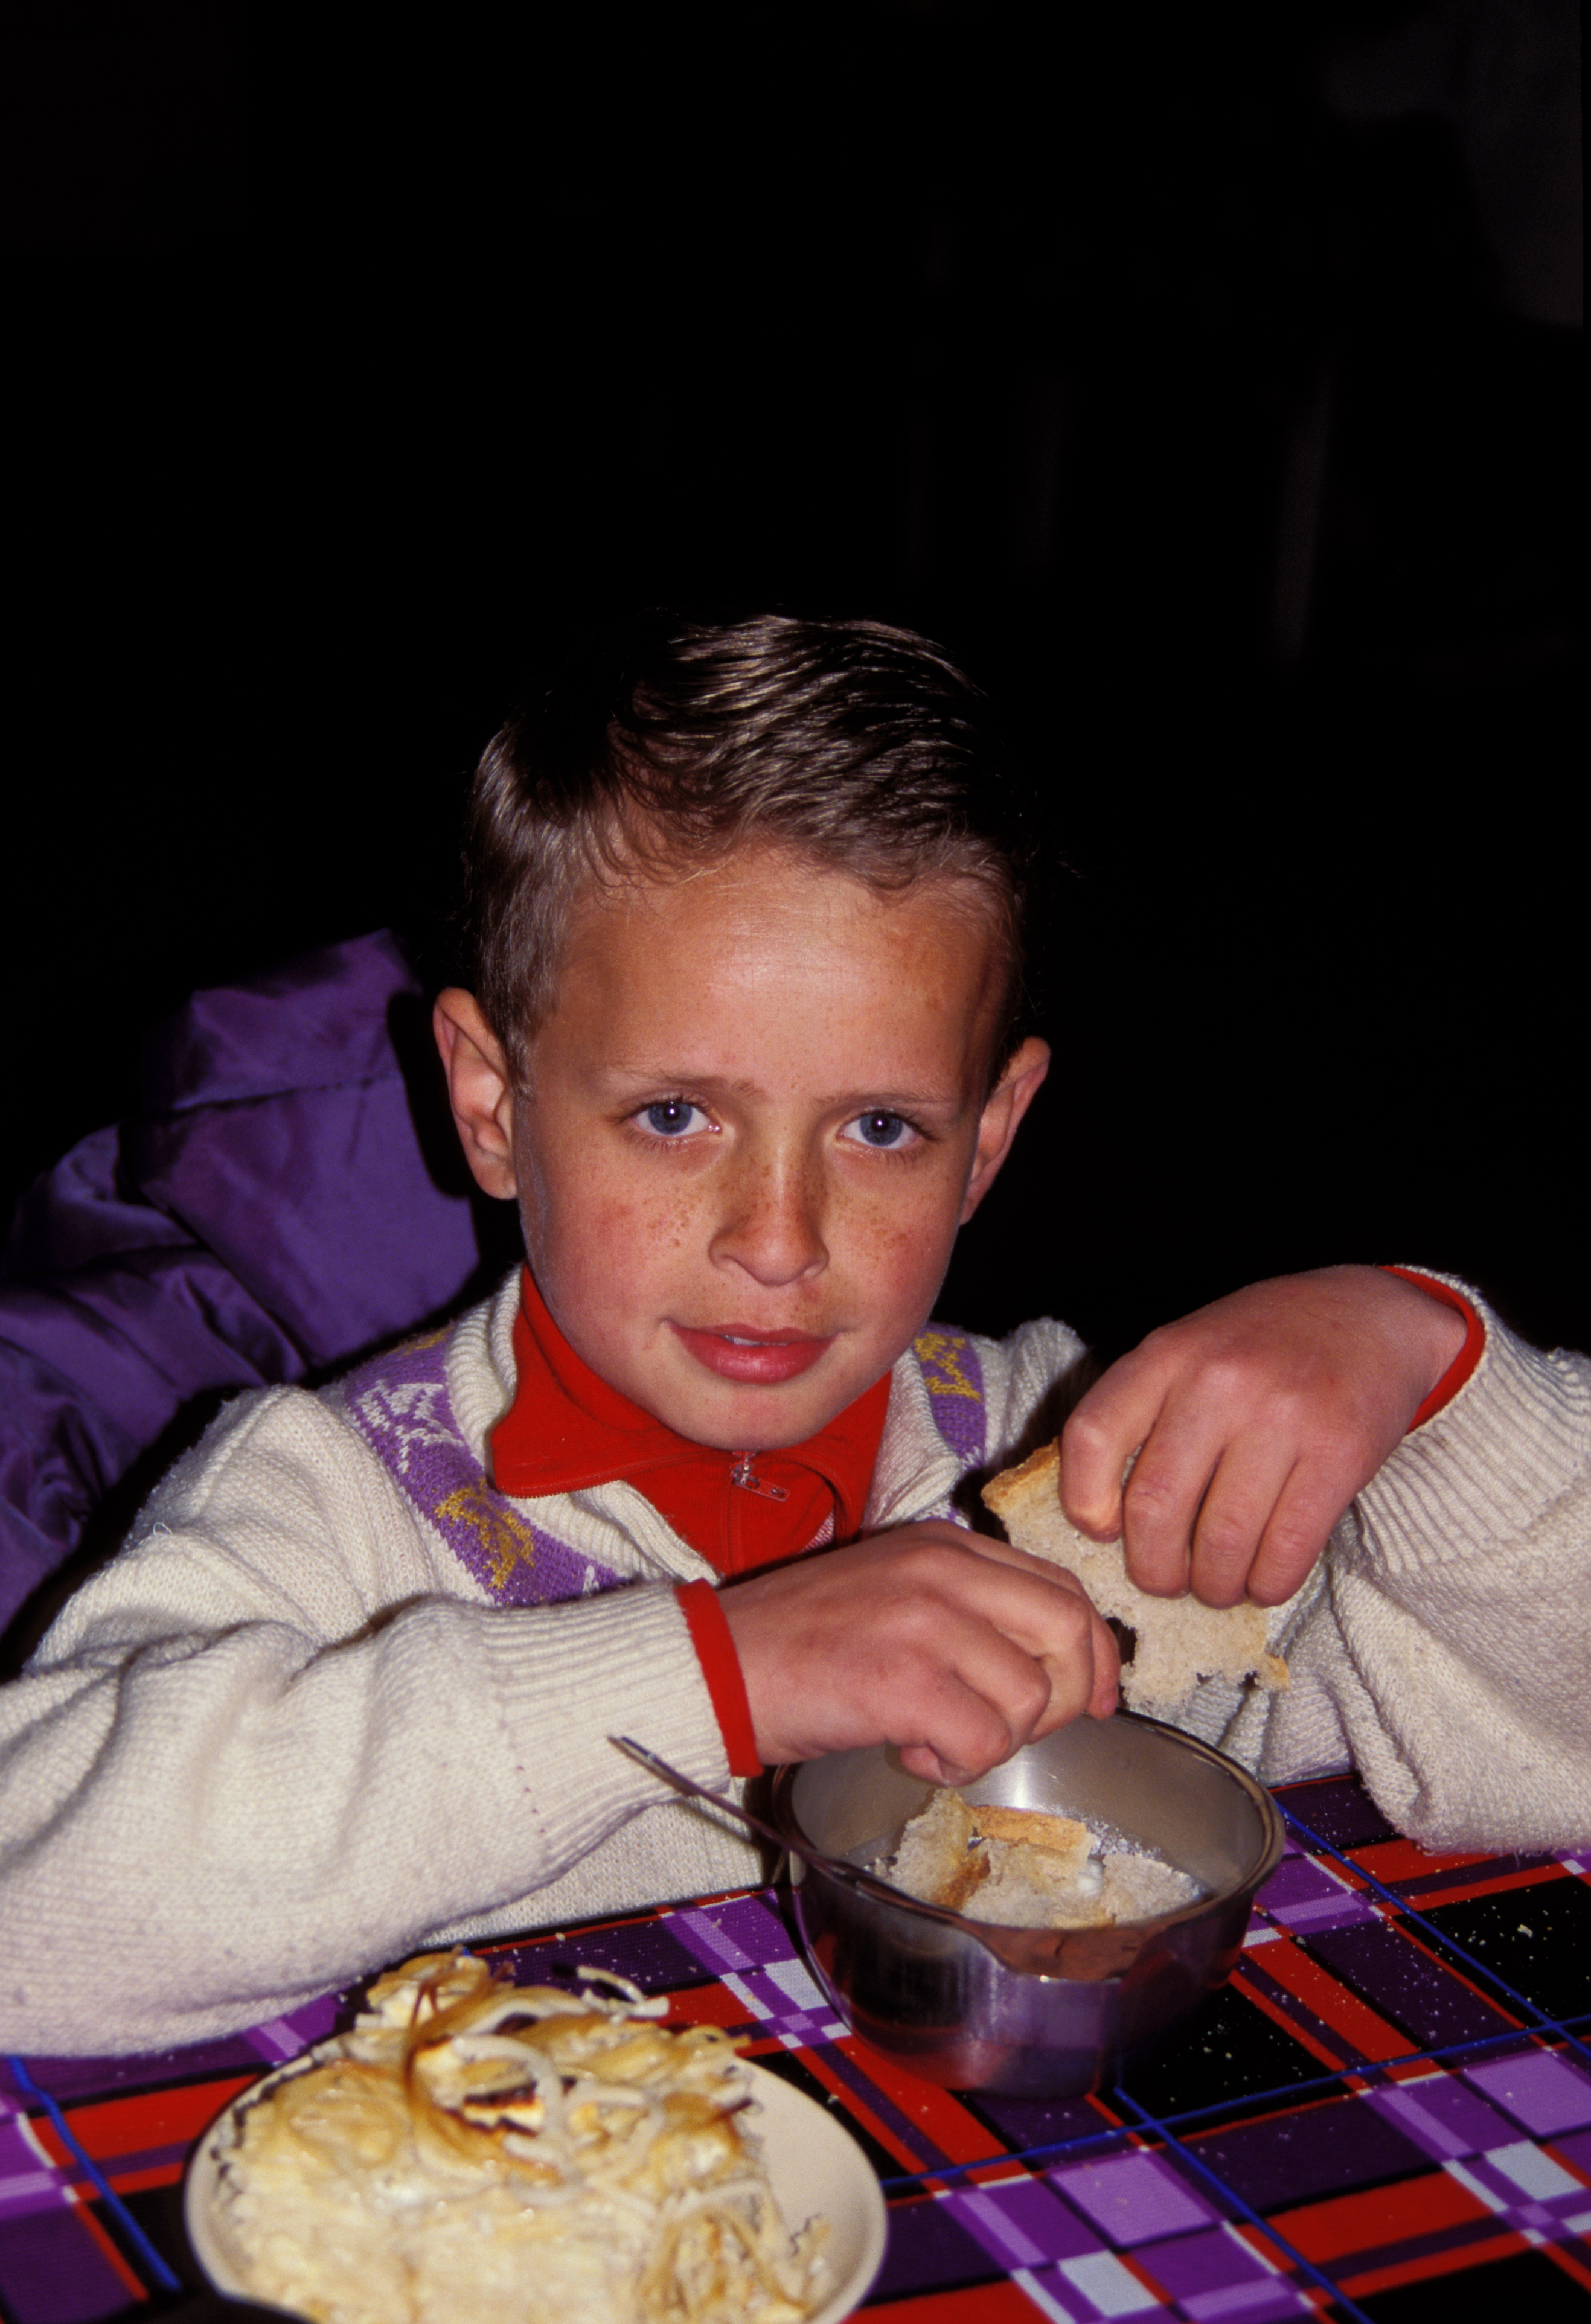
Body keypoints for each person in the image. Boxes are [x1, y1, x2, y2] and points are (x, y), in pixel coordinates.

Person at [1, 614, 1584, 2057]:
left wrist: (1429, 1366)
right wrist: (719, 1670)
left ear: (991, 1134)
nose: (777, 1238)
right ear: (493, 1104)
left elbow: (1539, 1733)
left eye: (881, 1128)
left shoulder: (1082, 1472)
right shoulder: (330, 1500)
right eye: (675, 1114)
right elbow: (34, 1910)